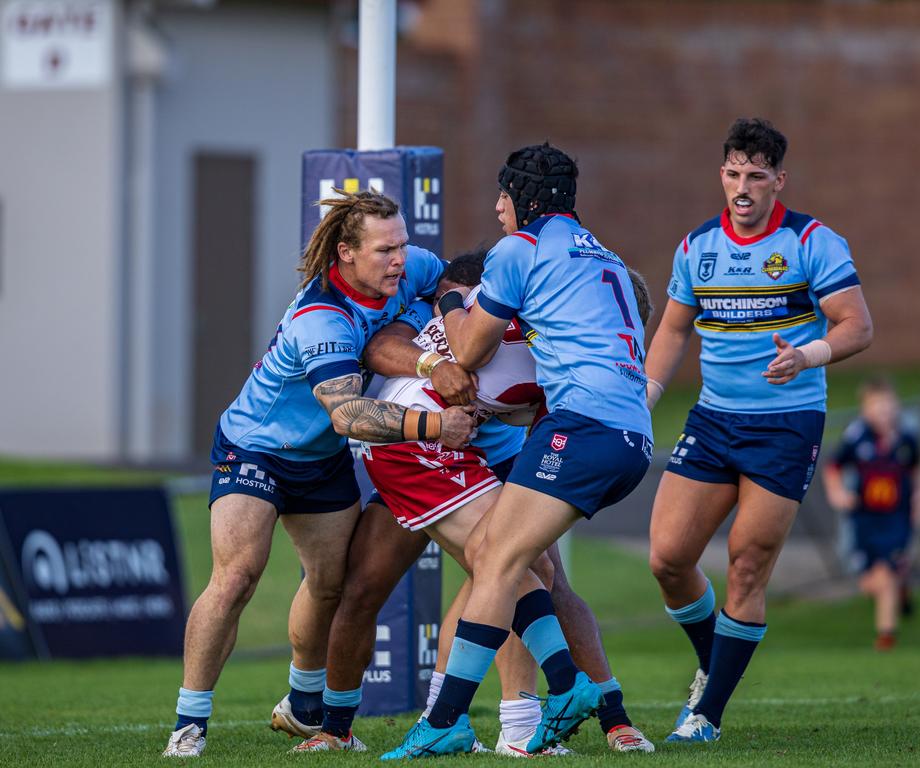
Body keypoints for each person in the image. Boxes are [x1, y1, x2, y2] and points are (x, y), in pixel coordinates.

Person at [282, 252, 655, 756]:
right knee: (507, 565)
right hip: (419, 442)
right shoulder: (551, 340)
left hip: (454, 448)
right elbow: (400, 344)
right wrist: (448, 324)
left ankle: (475, 718)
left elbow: (516, 400)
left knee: (513, 568)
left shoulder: (528, 310)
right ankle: (542, 709)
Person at [161, 190, 475, 757]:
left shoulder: (411, 268)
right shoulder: (322, 317)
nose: (400, 259)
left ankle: (304, 709)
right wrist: (436, 426)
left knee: (331, 585)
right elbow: (350, 415)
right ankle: (190, 722)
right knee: (237, 578)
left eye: (402, 244)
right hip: (255, 447)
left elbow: (452, 276)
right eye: (385, 250)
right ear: (347, 253)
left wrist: (444, 323)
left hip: (320, 459)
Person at [382, 143, 655, 759]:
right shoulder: (603, 256)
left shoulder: (522, 249)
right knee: (520, 566)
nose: (496, 210)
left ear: (524, 200)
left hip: (579, 428)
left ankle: (463, 717)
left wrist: (452, 295)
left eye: (502, 198)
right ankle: (581, 700)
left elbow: (470, 350)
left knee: (498, 564)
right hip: (631, 438)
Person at [643, 118, 873, 744]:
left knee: (747, 564)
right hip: (714, 420)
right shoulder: (696, 247)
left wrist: (807, 355)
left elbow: (856, 325)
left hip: (787, 424)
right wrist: (649, 394)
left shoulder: (812, 242)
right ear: (722, 174)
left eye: (756, 175)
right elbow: (671, 330)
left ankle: (706, 716)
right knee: (667, 559)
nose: (743, 187)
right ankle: (712, 661)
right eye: (733, 173)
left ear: (779, 180)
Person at [823, 376, 920, 650]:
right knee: (870, 583)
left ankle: (886, 636)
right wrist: (838, 493)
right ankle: (899, 588)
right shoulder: (857, 437)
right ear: (865, 409)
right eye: (877, 407)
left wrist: (917, 500)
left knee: (886, 575)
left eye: (888, 406)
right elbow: (833, 467)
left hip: (896, 519)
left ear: (896, 407)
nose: (884, 412)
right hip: (865, 520)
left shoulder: (906, 440)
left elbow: (916, 471)